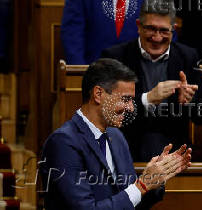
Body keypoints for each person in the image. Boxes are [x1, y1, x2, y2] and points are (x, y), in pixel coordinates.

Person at [40, 58, 192, 210]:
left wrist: (154, 180)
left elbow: (129, 202)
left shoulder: (116, 137)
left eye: (132, 101)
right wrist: (142, 185)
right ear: (98, 94)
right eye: (125, 99)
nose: (131, 108)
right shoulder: (63, 143)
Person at [101, 0, 202, 162]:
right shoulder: (116, 58)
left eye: (164, 30)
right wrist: (147, 99)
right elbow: (107, 111)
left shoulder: (187, 56)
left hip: (176, 155)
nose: (157, 37)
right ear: (139, 26)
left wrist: (191, 100)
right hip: (128, 152)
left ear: (174, 29)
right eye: (151, 29)